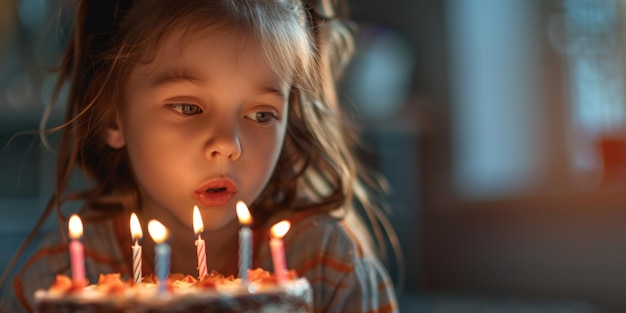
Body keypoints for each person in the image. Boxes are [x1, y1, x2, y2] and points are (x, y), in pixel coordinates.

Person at [0, 0, 400, 312]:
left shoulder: (329, 268)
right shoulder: (58, 279)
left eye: (261, 114)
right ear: (114, 116)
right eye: (188, 107)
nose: (228, 144)